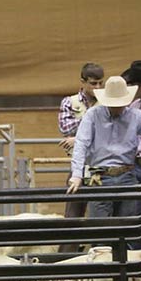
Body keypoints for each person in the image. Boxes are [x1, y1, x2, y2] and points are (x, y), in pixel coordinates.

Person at [67, 75, 141, 221]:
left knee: (129, 226)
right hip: (99, 177)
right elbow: (81, 143)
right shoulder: (92, 115)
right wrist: (77, 175)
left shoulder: (136, 116)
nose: (117, 107)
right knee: (100, 227)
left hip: (127, 174)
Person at [58, 62, 104, 228]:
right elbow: (65, 127)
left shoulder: (108, 101)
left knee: (100, 214)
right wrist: (95, 122)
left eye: (100, 83)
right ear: (82, 82)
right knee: (72, 216)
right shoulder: (69, 102)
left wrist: (77, 139)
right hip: (79, 165)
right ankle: (68, 253)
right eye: (93, 83)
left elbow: (108, 132)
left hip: (102, 166)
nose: (97, 87)